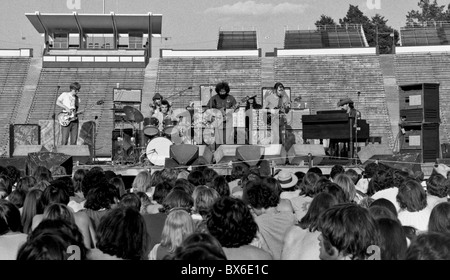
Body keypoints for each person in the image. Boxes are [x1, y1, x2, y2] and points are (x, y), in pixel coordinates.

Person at [206, 81, 237, 147]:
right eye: (221, 91)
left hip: (228, 121)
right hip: (218, 122)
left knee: (228, 138)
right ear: (218, 91)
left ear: (227, 91)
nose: (222, 93)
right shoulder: (214, 98)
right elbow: (208, 109)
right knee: (218, 139)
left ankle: (227, 153)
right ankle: (218, 154)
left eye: (224, 91)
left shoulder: (231, 98)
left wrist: (232, 111)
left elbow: (236, 109)